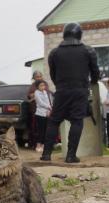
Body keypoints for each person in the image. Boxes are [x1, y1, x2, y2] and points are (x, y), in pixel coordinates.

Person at [41, 22, 99, 163]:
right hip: (80, 91)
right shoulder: (88, 51)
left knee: (54, 121)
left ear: (64, 34)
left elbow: (53, 75)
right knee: (77, 121)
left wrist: (61, 86)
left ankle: (46, 154)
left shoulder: (54, 52)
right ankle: (71, 155)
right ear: (79, 34)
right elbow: (95, 73)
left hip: (61, 91)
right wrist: (91, 82)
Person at [34, 80, 52, 152]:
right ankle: (38, 146)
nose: (43, 87)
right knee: (40, 130)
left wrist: (49, 110)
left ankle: (43, 145)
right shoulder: (36, 93)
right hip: (40, 114)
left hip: (46, 113)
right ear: (37, 86)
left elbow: (48, 101)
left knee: (46, 130)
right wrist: (49, 107)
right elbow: (40, 103)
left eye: (44, 85)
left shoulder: (45, 92)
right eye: (41, 85)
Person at [27, 71, 43, 149]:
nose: (39, 78)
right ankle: (35, 144)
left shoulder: (44, 84)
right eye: (37, 77)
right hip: (35, 110)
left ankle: (45, 144)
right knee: (35, 128)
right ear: (34, 78)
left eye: (40, 76)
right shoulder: (32, 86)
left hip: (45, 110)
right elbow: (30, 96)